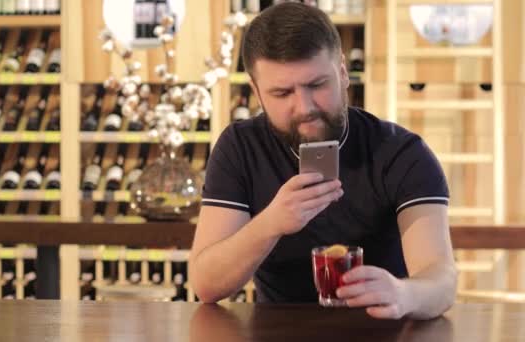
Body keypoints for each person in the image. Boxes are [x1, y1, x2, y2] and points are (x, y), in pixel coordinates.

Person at [188, 2, 457, 320]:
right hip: (275, 332)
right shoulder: (240, 147)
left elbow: (441, 280)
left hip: (382, 329)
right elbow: (206, 286)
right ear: (257, 93)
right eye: (282, 93)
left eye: (317, 85)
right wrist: (271, 223)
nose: (304, 108)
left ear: (342, 73)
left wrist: (404, 293)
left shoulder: (401, 152)